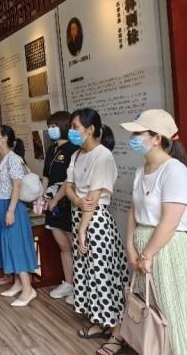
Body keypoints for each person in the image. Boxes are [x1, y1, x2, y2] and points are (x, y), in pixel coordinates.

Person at [121, 109, 187, 355]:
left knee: (169, 307)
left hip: (165, 248)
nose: (133, 139)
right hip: (143, 247)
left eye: (138, 134)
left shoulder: (174, 170)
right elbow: (133, 210)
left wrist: (147, 255)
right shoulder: (141, 170)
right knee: (149, 305)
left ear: (157, 138)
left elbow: (170, 222)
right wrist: (130, 246)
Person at [65, 108, 129, 355]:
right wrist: (77, 201)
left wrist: (82, 230)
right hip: (79, 216)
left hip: (96, 222)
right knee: (88, 274)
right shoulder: (77, 154)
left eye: (75, 126)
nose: (71, 131)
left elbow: (92, 200)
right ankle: (103, 322)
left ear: (90, 129)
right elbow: (69, 187)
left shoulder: (103, 156)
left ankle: (118, 334)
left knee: (105, 276)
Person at [0, 125, 39, 307]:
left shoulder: (14, 159)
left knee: (16, 244)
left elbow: (17, 186)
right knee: (6, 244)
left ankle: (28, 289)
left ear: (5, 138)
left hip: (12, 205)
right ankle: (18, 283)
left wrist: (10, 211)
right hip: (0, 203)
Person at [41, 111, 78, 300]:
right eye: (49, 126)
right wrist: (43, 196)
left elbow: (69, 180)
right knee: (63, 246)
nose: (51, 129)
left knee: (74, 245)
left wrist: (56, 198)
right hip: (51, 203)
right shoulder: (51, 150)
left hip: (67, 203)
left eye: (54, 126)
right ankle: (68, 284)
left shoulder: (73, 148)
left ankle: (81, 288)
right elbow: (46, 175)